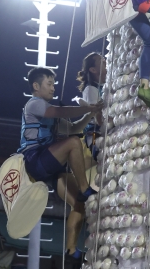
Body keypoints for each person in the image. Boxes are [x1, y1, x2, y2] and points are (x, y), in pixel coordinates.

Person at [17, 67, 103, 258]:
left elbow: (74, 128)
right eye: (49, 84)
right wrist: (89, 107)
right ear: (36, 86)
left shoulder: (50, 115)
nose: (53, 88)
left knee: (79, 204)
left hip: (49, 166)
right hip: (34, 159)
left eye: (53, 84)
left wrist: (90, 114)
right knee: (73, 143)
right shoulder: (34, 104)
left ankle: (71, 248)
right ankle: (84, 187)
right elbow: (57, 111)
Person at [75, 53, 106, 171]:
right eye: (101, 61)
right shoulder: (91, 89)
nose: (105, 61)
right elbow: (98, 118)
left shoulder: (104, 86)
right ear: (93, 70)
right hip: (95, 134)